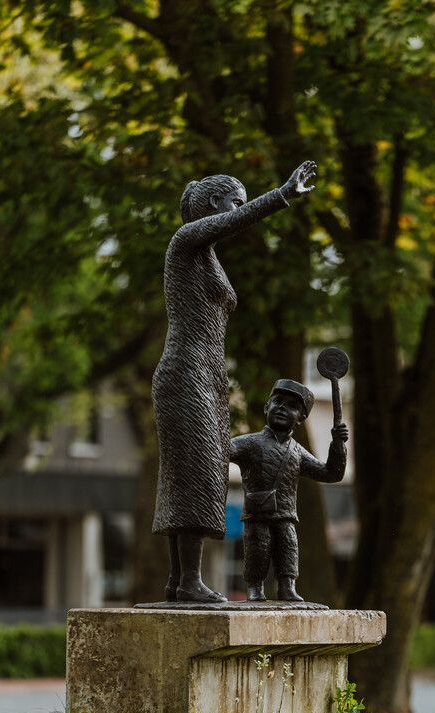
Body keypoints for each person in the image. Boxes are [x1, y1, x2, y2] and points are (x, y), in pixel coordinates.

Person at [152, 160, 317, 603]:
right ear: (213, 204)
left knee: (195, 470)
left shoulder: (206, 256)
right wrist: (280, 195)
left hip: (205, 373)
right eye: (233, 203)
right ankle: (188, 580)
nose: (238, 212)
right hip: (186, 370)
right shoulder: (185, 241)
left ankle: (179, 580)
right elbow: (234, 221)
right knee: (197, 471)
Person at [229, 379, 348, 601]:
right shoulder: (250, 443)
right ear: (267, 408)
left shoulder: (298, 452)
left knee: (288, 547)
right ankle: (255, 588)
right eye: (278, 402)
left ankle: (287, 586)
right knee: (258, 548)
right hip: (258, 513)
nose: (283, 408)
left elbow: (330, 474)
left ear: (301, 418)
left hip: (285, 515)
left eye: (292, 406)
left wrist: (338, 445)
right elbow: (223, 450)